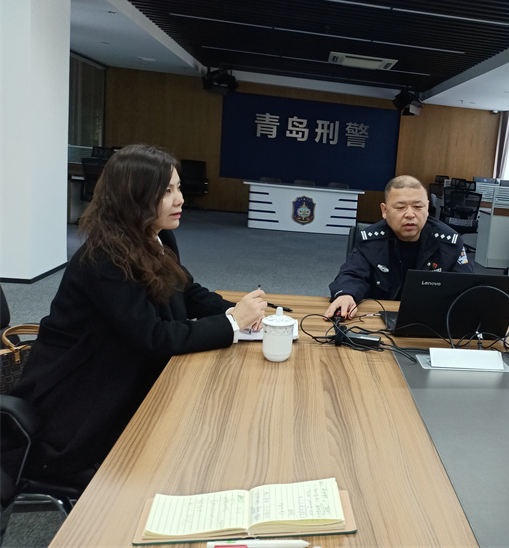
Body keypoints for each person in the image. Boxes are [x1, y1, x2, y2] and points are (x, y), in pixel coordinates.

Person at [10, 144, 267, 490]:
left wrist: (236, 311)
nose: (180, 200)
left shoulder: (157, 237)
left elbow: (186, 291)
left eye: (178, 188)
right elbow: (154, 338)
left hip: (123, 370)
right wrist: (233, 323)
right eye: (166, 191)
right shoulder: (104, 258)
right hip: (83, 400)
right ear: (134, 196)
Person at [324, 175, 473, 319]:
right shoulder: (370, 240)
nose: (410, 214)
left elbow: (465, 286)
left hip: (431, 317)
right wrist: (346, 294)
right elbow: (353, 274)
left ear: (427, 207)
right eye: (401, 207)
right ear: (384, 210)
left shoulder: (449, 242)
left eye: (418, 207)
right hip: (378, 317)